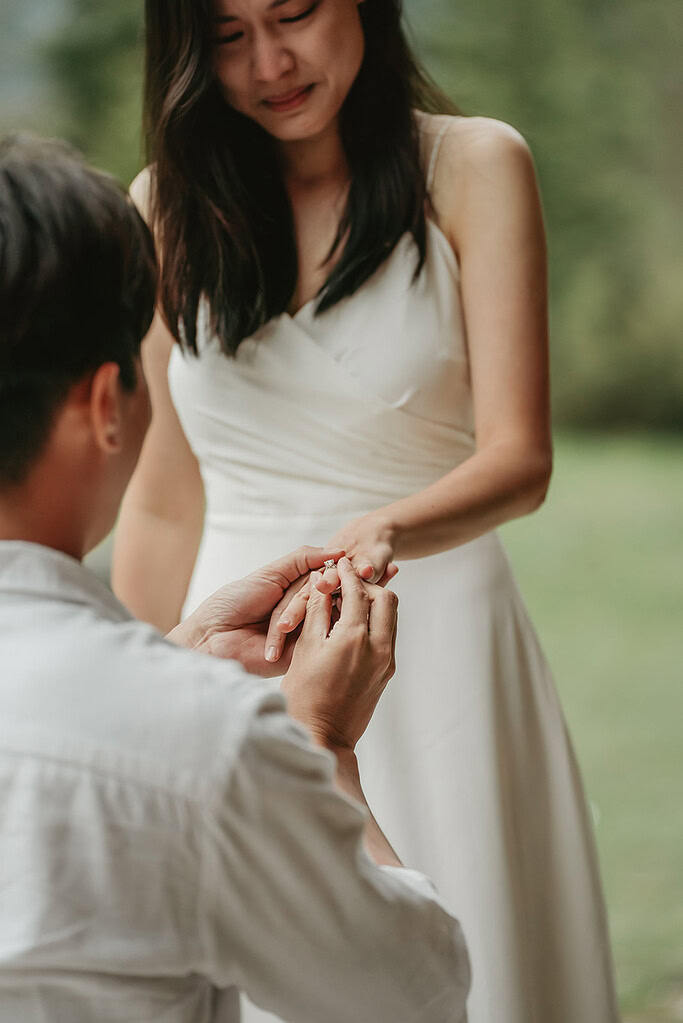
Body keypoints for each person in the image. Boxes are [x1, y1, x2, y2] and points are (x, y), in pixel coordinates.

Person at [113, 1, 620, 1020]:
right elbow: (164, 502)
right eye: (227, 34)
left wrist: (385, 529)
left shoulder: (475, 166)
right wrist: (139, 689)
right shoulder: (164, 205)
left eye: (294, 12)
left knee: (471, 955)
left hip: (438, 627)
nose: (270, 61)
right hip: (240, 655)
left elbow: (519, 459)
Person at [0, 133, 471, 1023]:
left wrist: (176, 656)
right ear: (107, 404)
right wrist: (321, 743)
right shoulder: (205, 743)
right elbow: (410, 993)